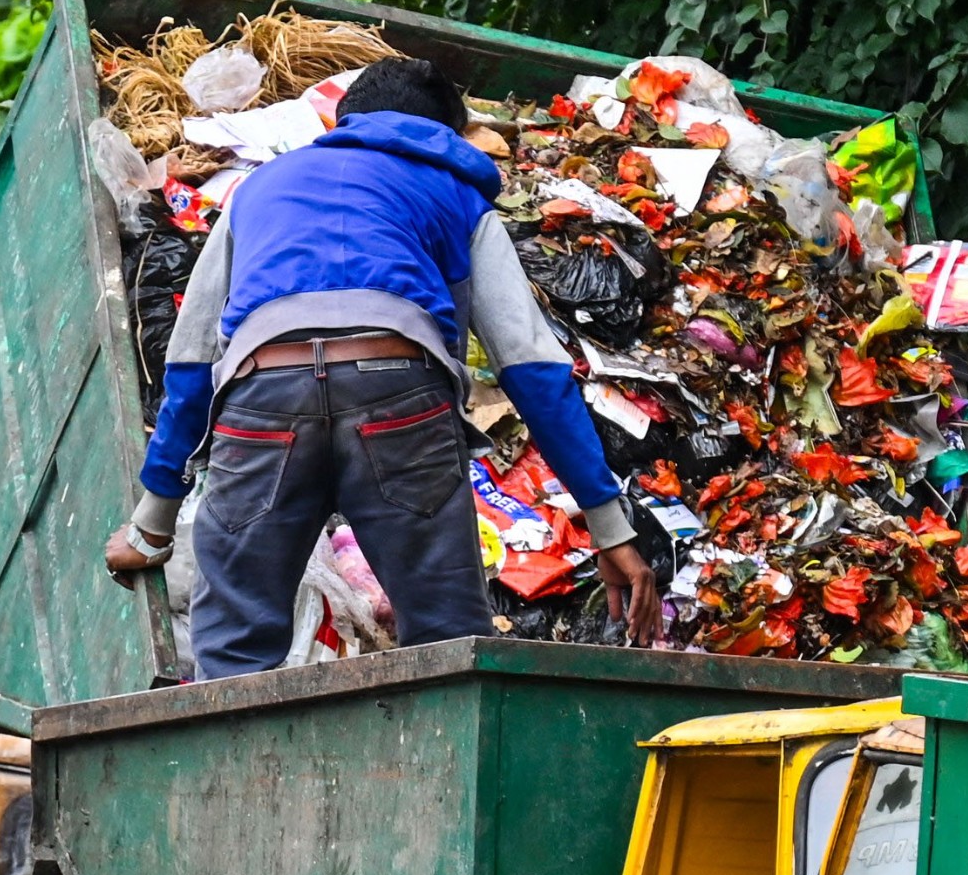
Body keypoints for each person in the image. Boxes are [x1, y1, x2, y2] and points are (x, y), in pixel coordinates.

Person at [104, 55, 661, 676]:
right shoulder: (456, 194)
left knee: (234, 645)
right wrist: (611, 530)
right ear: (446, 138)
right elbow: (533, 370)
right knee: (447, 646)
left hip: (263, 394)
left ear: (344, 122)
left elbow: (190, 365)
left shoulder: (260, 188)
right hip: (400, 400)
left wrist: (152, 526)